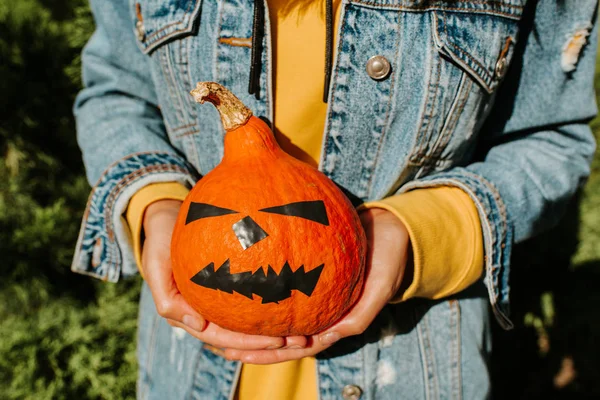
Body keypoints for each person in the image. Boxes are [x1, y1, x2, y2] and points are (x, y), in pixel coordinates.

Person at [71, 0, 598, 398]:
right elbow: (116, 90)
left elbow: (553, 138)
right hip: (187, 369)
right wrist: (154, 206)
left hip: (410, 363)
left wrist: (425, 234)